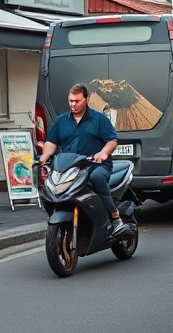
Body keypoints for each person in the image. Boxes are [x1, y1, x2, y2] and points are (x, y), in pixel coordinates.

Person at [39, 82, 134, 237]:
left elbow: (112, 141)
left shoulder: (99, 119)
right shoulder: (61, 121)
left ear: (86, 99)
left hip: (96, 165)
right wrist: (45, 155)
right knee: (51, 184)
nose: (73, 104)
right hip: (69, 167)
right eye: (71, 101)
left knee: (96, 178)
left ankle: (115, 217)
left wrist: (103, 153)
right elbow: (51, 142)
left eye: (77, 101)